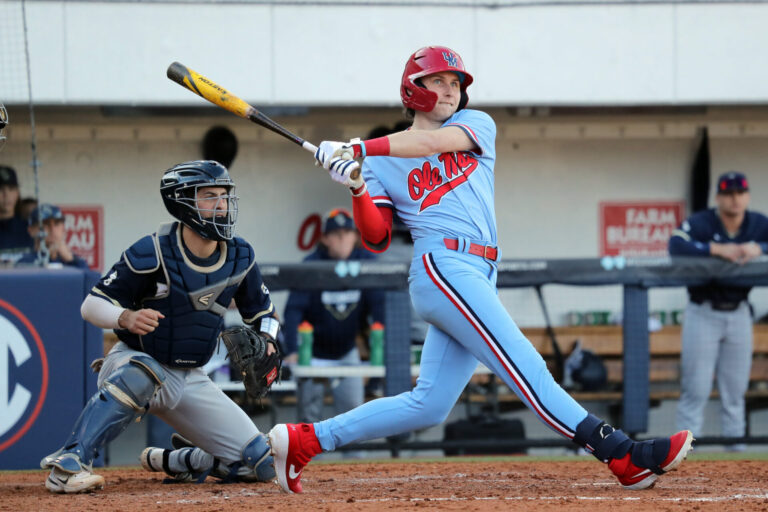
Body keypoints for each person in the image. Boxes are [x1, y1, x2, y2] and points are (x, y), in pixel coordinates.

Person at [266, 46, 693, 494]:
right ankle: (621, 453)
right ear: (414, 89)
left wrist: (357, 147)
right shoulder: (380, 161)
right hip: (443, 266)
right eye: (439, 81)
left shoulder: (475, 124)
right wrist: (355, 182)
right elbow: (375, 237)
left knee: (428, 405)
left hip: (480, 270)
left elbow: (429, 143)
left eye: (456, 83)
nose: (451, 89)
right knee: (527, 366)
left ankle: (305, 440)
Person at [40, 160, 280, 493]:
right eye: (209, 196)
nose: (222, 205)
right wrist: (124, 317)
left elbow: (264, 312)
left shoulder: (240, 255)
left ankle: (181, 460)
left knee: (262, 464)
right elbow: (91, 305)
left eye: (225, 196)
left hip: (192, 377)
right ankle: (69, 463)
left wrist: (269, 339)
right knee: (143, 371)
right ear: (183, 202)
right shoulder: (152, 250)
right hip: (134, 363)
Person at [669, 171, 768, 450]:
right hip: (704, 311)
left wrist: (759, 248)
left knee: (735, 393)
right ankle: (681, 454)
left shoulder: (758, 223)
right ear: (718, 197)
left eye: (739, 193)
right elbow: (675, 245)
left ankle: (736, 455)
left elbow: (762, 243)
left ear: (747, 196)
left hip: (739, 313)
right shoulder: (702, 222)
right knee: (695, 390)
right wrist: (715, 249)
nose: (734, 199)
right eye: (728, 193)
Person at [282, 207, 385, 426]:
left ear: (355, 237)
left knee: (354, 421)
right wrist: (292, 350)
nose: (343, 239)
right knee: (308, 423)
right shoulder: (311, 264)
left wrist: (387, 349)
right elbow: (293, 311)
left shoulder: (365, 262)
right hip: (313, 353)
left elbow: (381, 309)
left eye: (348, 233)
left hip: (347, 352)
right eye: (337, 235)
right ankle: (309, 462)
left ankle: (355, 461)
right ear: (325, 239)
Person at [17, 203, 88, 268]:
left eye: (57, 224)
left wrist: (70, 259)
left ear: (63, 228)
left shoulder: (76, 262)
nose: (52, 229)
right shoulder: (24, 262)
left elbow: (89, 280)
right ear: (31, 230)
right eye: (46, 224)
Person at [0, 165, 33, 263]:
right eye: (0, 189)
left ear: (17, 192)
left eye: (11, 188)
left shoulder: (30, 229)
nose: (6, 195)